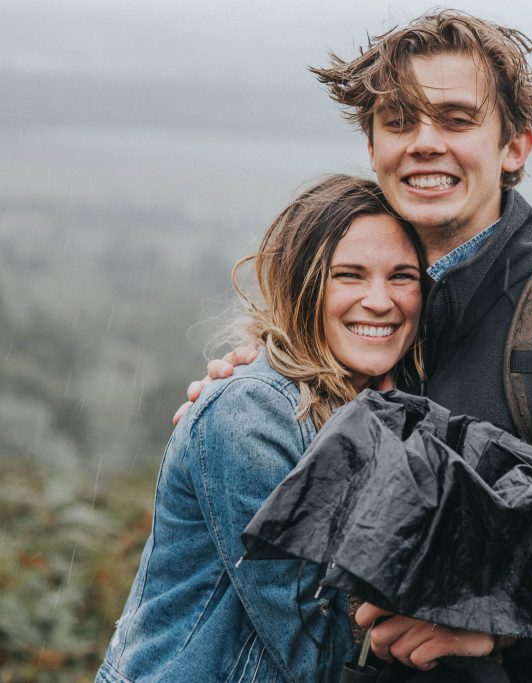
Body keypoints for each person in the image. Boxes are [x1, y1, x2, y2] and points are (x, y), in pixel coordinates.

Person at [177, 10, 532, 682]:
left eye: (457, 119)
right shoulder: (375, 335)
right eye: (401, 121)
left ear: (515, 147)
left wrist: (498, 617)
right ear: (373, 146)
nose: (424, 142)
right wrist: (246, 397)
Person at [97, 175, 427, 683]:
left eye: (402, 276)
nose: (380, 300)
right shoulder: (253, 413)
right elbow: (311, 640)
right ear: (303, 284)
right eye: (350, 275)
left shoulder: (376, 408)